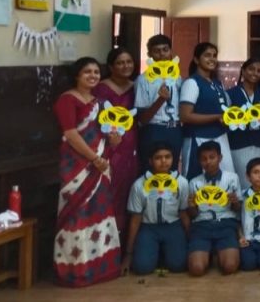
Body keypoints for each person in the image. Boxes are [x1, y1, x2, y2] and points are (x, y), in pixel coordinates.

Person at [53, 57, 122, 287]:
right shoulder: (67, 100)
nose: (93, 76)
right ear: (77, 75)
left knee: (98, 211)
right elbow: (71, 134)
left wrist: (114, 140)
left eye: (96, 72)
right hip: (77, 167)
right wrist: (94, 159)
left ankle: (101, 267)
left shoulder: (100, 103)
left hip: (100, 166)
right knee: (77, 215)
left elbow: (105, 135)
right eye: (87, 72)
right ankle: (76, 271)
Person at [122, 142, 190, 275]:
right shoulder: (139, 184)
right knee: (142, 268)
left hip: (172, 226)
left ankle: (165, 253)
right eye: (158, 158)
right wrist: (128, 254)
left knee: (179, 265)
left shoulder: (181, 182)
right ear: (150, 161)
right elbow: (135, 219)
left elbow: (183, 213)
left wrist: (190, 240)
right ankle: (153, 253)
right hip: (149, 228)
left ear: (173, 158)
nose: (163, 161)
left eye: (167, 157)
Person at [93, 47, 139, 243]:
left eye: (128, 61)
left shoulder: (136, 86)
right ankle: (105, 241)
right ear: (111, 67)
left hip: (132, 145)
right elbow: (94, 118)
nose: (125, 66)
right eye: (120, 62)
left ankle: (124, 241)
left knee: (129, 189)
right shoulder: (101, 88)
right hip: (109, 146)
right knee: (110, 189)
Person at [186, 141, 241, 276]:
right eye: (204, 159)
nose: (208, 162)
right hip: (202, 226)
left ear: (220, 158)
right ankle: (207, 255)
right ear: (199, 161)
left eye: (212, 157)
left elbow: (238, 209)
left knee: (230, 267)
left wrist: (235, 202)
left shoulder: (232, 178)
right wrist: (192, 206)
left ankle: (216, 253)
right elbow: (193, 215)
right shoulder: (194, 182)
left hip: (226, 225)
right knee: (196, 269)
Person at [180, 42, 233, 179]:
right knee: (197, 181)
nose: (212, 59)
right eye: (207, 55)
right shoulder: (192, 83)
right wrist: (217, 117)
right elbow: (185, 116)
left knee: (225, 180)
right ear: (196, 59)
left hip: (220, 137)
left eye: (214, 55)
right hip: (198, 138)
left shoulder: (216, 83)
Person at [135, 34, 182, 172]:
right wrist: (160, 100)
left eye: (165, 50)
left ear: (171, 51)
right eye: (157, 51)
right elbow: (142, 119)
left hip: (175, 129)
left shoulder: (177, 77)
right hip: (154, 130)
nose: (162, 54)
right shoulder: (143, 80)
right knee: (151, 172)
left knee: (172, 171)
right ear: (149, 54)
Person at [226, 58, 260, 188]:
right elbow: (225, 120)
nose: (255, 73)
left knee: (259, 182)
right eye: (251, 69)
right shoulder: (230, 94)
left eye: (259, 71)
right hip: (238, 145)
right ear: (243, 71)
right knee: (242, 182)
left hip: (259, 145)